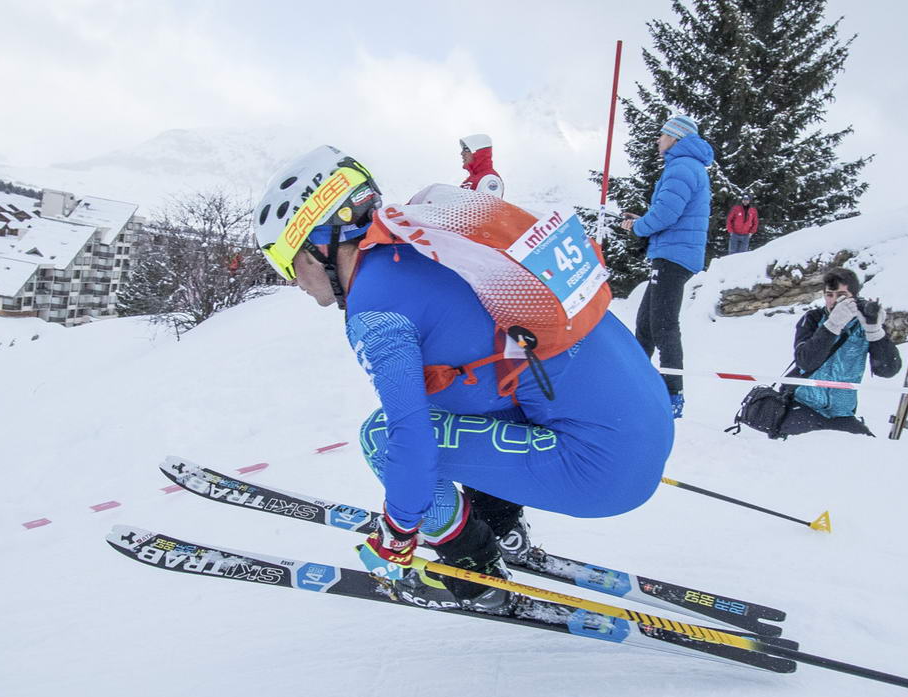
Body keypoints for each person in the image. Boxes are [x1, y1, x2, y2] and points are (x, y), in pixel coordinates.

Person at [253, 147, 674, 611]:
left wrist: (396, 535)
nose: (293, 280)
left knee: (380, 438)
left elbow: (408, 439)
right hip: (643, 426)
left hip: (603, 472)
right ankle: (499, 527)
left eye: (285, 261)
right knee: (457, 389)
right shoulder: (432, 238)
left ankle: (476, 577)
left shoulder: (375, 311)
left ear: (318, 246)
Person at [617, 113, 712, 419]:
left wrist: (637, 227)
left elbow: (666, 215)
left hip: (674, 254)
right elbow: (668, 212)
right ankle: (632, 383)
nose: (658, 140)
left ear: (675, 138)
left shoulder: (681, 167)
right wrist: (642, 221)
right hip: (674, 252)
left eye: (662, 135)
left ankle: (673, 393)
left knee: (663, 324)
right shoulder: (686, 166)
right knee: (646, 324)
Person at [778, 268, 901, 435]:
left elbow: (888, 370)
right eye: (829, 295)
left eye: (841, 295)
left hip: (841, 412)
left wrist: (875, 331)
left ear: (854, 297)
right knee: (808, 445)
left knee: (867, 449)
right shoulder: (813, 319)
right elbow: (805, 361)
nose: (834, 301)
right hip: (802, 403)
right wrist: (833, 325)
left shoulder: (863, 323)